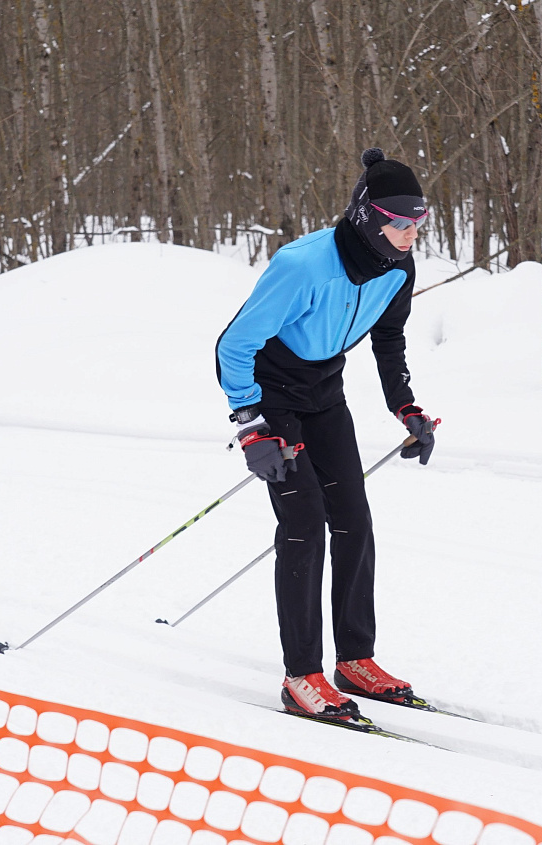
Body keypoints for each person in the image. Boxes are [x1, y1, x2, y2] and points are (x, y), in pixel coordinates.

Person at [215, 148, 439, 720]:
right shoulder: (304, 265)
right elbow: (233, 346)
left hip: (324, 390)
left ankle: (354, 661)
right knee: (304, 520)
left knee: (354, 519)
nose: (411, 233)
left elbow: (389, 341)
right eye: (400, 222)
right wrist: (252, 427)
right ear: (368, 216)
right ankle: (301, 676)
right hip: (271, 390)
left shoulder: (398, 267)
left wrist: (405, 406)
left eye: (420, 221)